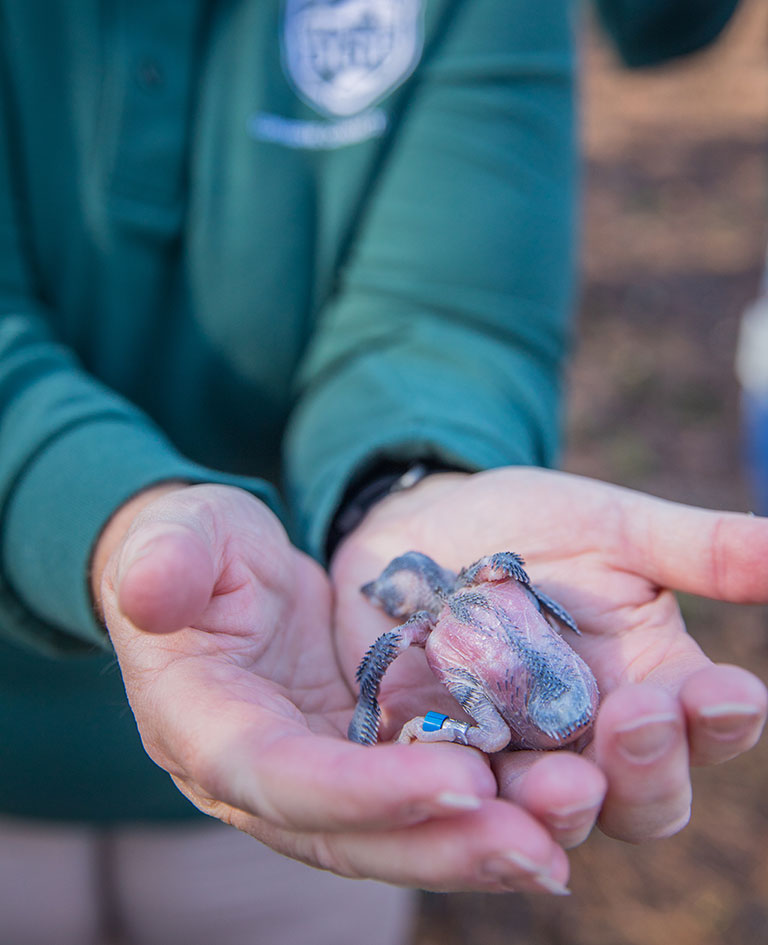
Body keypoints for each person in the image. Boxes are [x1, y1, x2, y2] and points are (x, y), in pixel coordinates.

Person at [0, 1, 764, 943]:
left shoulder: (438, 621)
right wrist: (109, 515)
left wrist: (409, 486)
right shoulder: (442, 624)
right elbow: (398, 654)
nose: (399, 618)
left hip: (294, 740)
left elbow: (448, 314)